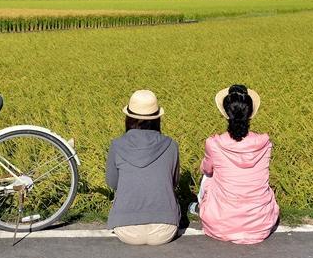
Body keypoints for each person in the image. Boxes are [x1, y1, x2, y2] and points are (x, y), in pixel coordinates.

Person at [195, 84, 279, 245]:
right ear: (250, 112)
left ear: (226, 113)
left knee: (208, 175)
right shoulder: (264, 143)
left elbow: (206, 170)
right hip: (260, 224)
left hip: (221, 225)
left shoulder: (214, 143)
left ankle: (202, 208)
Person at [105, 89, 180, 245]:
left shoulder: (116, 145)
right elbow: (174, 182)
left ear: (128, 117)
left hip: (126, 229)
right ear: (157, 118)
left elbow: (112, 182)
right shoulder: (171, 145)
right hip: (165, 230)